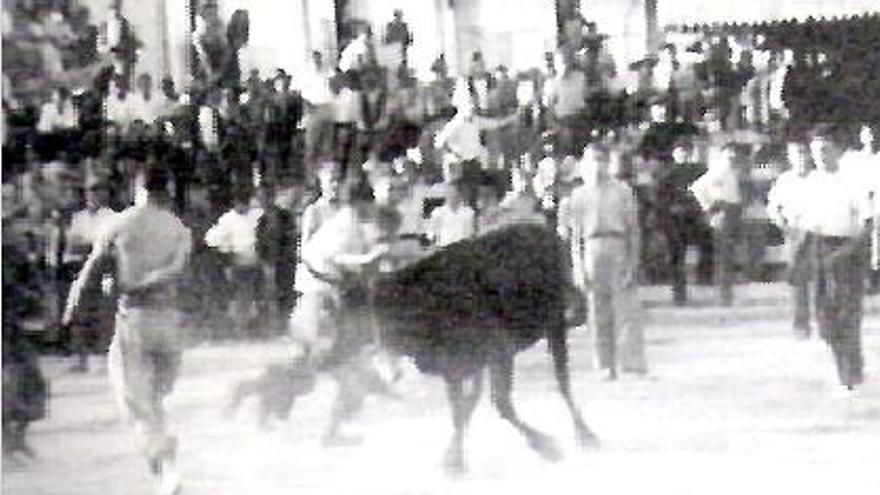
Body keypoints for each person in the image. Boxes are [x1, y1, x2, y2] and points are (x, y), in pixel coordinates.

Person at [62, 165, 192, 495]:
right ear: (166, 190)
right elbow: (183, 274)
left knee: (135, 402)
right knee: (155, 399)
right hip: (170, 320)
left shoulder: (119, 223)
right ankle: (164, 461)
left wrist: (72, 309)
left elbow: (92, 269)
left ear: (138, 188)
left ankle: (166, 466)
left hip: (136, 317)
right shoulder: (178, 227)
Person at [289, 180, 389, 445]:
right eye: (371, 203)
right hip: (320, 297)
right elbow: (336, 258)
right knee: (350, 367)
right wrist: (367, 259)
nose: (373, 208)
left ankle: (331, 426)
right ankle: (328, 426)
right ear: (361, 203)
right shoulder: (345, 224)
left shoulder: (350, 222)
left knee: (349, 365)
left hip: (322, 296)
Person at [561, 144, 645, 380]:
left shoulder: (623, 191)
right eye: (592, 160)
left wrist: (633, 262)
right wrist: (578, 267)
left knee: (625, 309)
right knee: (597, 312)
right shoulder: (578, 195)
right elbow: (575, 237)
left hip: (617, 245)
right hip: (592, 247)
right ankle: (604, 365)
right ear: (584, 164)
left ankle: (631, 364)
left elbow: (634, 230)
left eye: (601, 159)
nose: (597, 165)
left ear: (608, 163)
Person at [804, 129, 871, 393]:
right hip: (817, 246)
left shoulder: (851, 182)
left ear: (836, 151)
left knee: (846, 312)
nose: (819, 156)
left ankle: (849, 373)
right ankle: (847, 362)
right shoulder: (811, 182)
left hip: (847, 249)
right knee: (823, 318)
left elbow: (867, 223)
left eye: (825, 150)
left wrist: (848, 250)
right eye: (815, 151)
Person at [63, 179, 118, 372]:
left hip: (104, 269)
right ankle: (79, 358)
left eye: (98, 190)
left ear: (105, 194)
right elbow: (73, 244)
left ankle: (104, 358)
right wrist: (89, 244)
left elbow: (108, 245)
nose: (94, 195)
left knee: (104, 313)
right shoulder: (79, 218)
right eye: (90, 191)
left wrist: (91, 244)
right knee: (77, 311)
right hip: (81, 267)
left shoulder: (112, 217)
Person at [767, 141, 815, 338]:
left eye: (804, 153)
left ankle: (829, 322)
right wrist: (783, 224)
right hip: (795, 232)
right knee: (798, 280)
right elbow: (773, 207)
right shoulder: (785, 180)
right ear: (790, 157)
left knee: (824, 279)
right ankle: (801, 324)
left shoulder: (819, 178)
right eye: (796, 154)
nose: (801, 158)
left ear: (810, 155)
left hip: (819, 231)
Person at [655, 141, 713, 305]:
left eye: (687, 150)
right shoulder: (667, 175)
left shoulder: (700, 171)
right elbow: (661, 200)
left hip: (696, 218)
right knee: (676, 256)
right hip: (675, 221)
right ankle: (679, 291)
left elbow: (709, 191)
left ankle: (704, 280)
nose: (684, 154)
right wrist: (670, 211)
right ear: (674, 153)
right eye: (680, 151)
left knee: (708, 246)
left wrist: (703, 210)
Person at [204, 188, 264, 338]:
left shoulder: (257, 215)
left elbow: (264, 236)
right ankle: (239, 328)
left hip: (256, 261)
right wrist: (226, 251)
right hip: (236, 262)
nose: (243, 205)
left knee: (256, 296)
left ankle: (255, 327)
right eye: (240, 202)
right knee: (239, 296)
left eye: (245, 202)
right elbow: (211, 239)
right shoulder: (227, 219)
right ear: (235, 202)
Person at [690, 142, 743, 306]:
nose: (732, 156)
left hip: (733, 211)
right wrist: (710, 209)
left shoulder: (733, 171)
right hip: (722, 210)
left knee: (729, 254)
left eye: (734, 153)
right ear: (722, 154)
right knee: (723, 255)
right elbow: (697, 188)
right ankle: (723, 294)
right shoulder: (718, 171)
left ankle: (727, 293)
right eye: (729, 153)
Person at [255, 184, 296, 335]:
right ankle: (269, 326)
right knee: (267, 294)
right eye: (262, 198)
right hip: (267, 262)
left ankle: (284, 325)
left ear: (273, 197)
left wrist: (285, 257)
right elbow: (259, 242)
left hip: (284, 263)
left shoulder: (285, 216)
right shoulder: (262, 220)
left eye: (267, 197)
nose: (265, 201)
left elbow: (291, 238)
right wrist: (264, 260)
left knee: (285, 294)